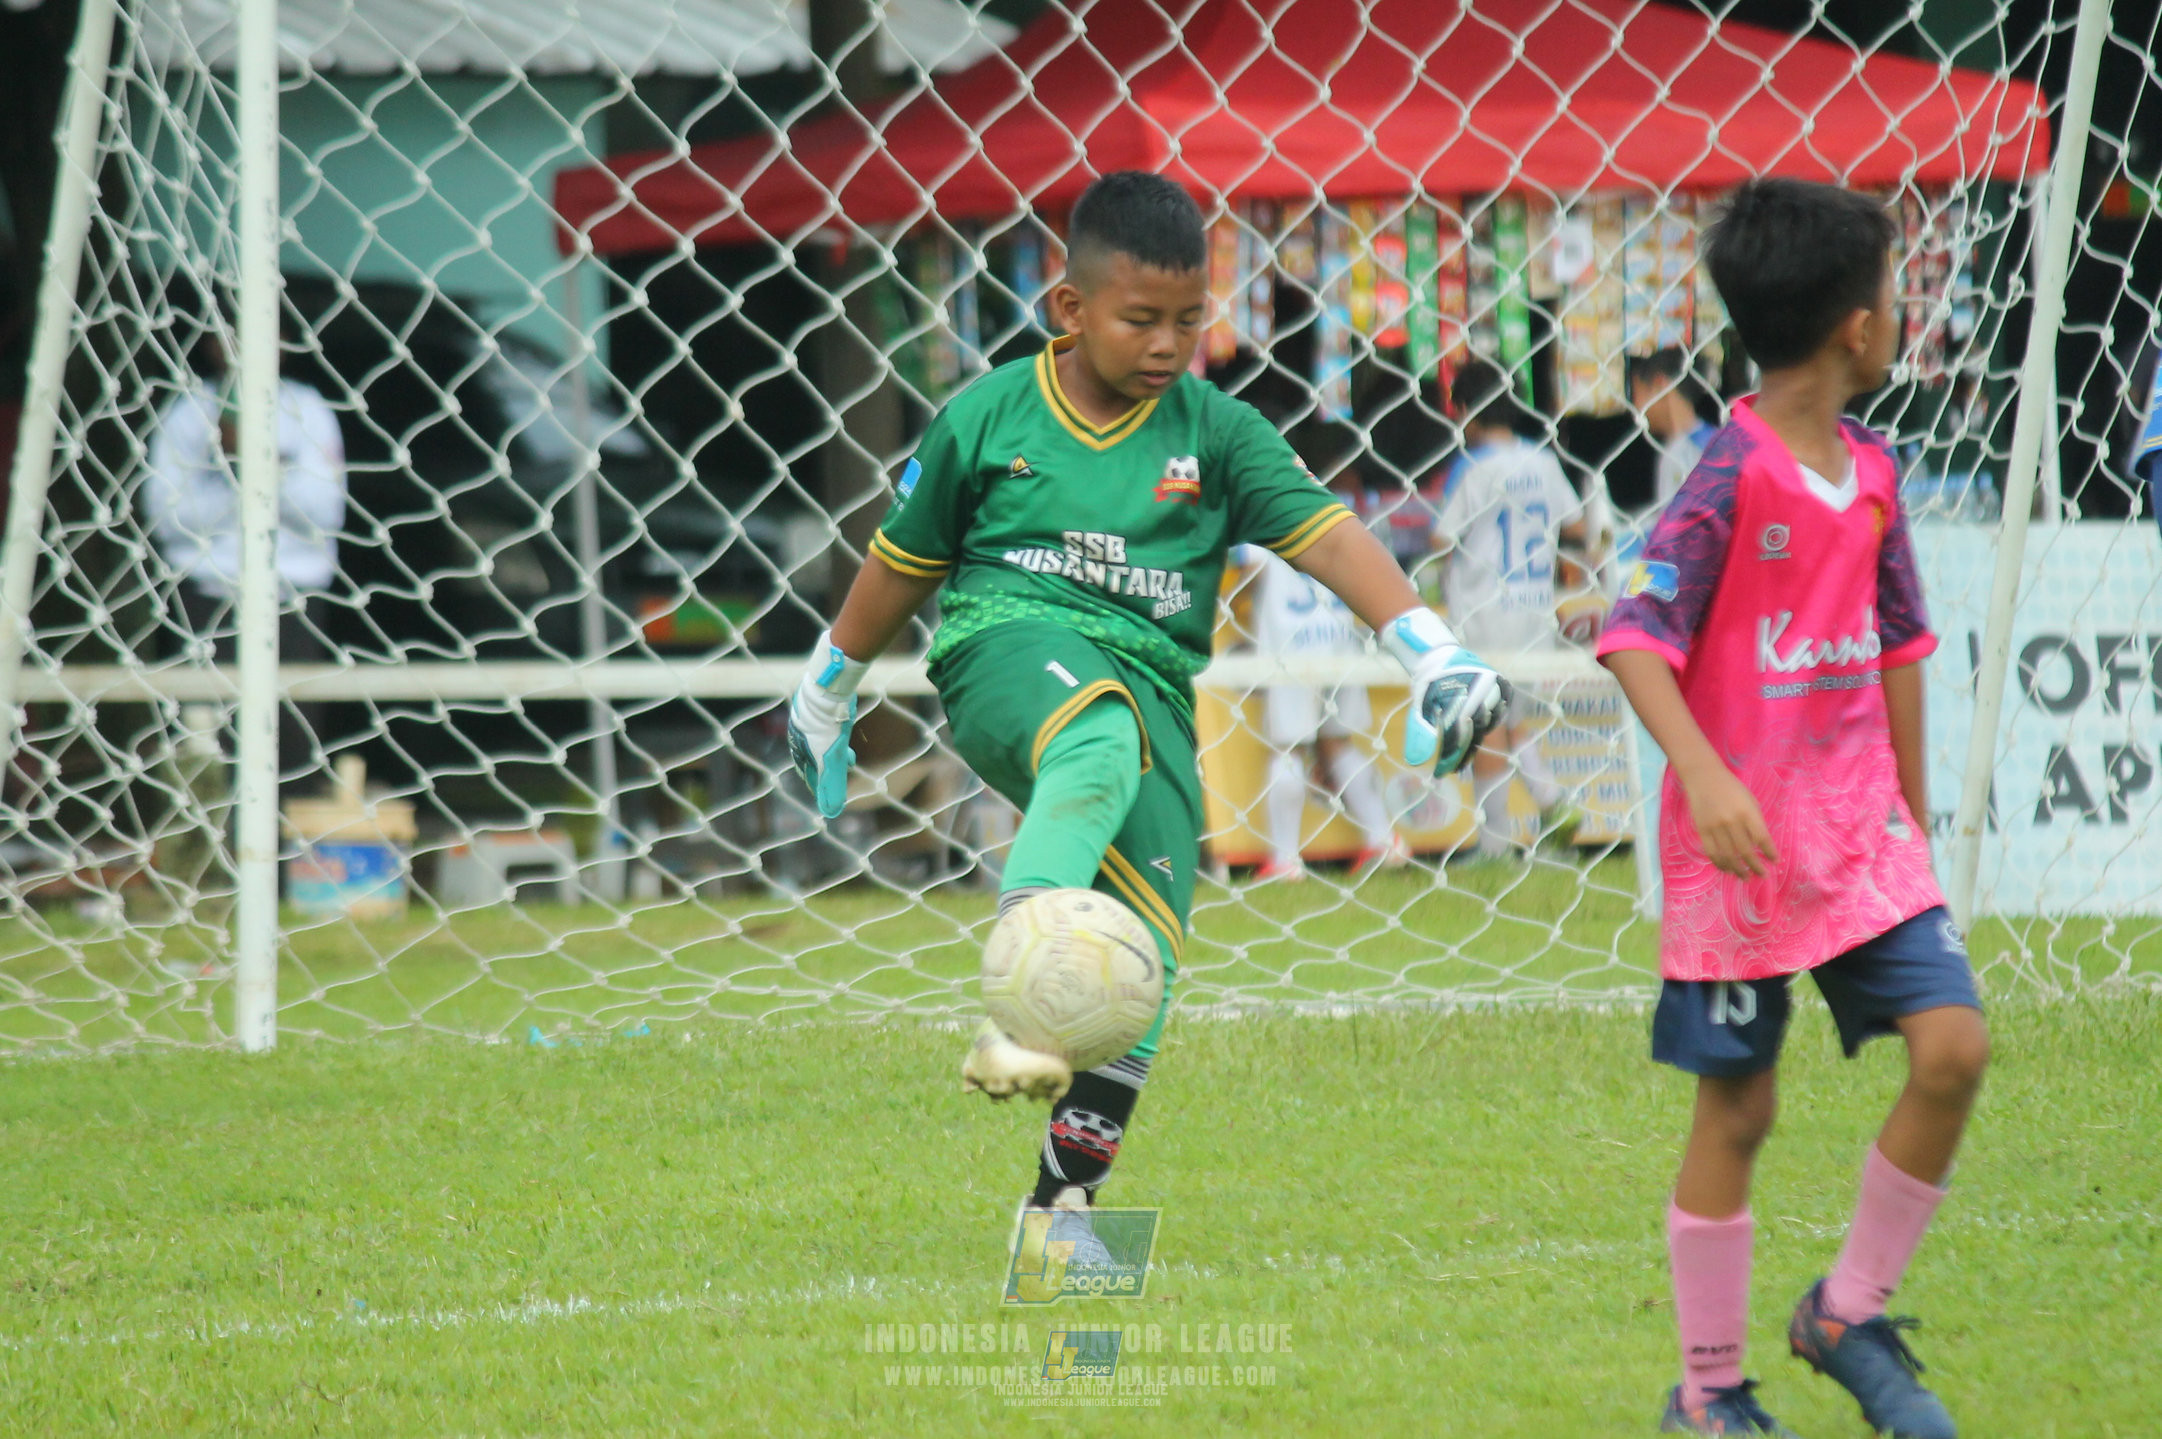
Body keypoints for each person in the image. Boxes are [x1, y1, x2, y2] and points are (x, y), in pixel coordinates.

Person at [785, 171, 1506, 1223]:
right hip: (1006, 645)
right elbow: (900, 563)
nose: (1168, 343)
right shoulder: (986, 417)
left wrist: (1430, 644)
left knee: (1144, 961)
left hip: (1154, 691)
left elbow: (1327, 534)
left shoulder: (1214, 431)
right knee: (1095, 738)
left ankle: (1059, 1223)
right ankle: (1021, 995)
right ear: (1068, 309)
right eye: (1141, 320)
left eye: (1188, 319)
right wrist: (827, 683)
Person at [1597, 178, 1989, 1439]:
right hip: (1742, 854)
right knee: (1741, 1104)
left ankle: (1843, 1309)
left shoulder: (1872, 471)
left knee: (1952, 1048)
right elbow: (1634, 635)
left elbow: (1898, 645)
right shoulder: (1726, 473)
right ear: (1859, 331)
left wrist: (1912, 826)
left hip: (1862, 840)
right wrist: (1702, 773)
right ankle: (1708, 1390)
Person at [145, 310, 347, 777]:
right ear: (211, 344)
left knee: (292, 743)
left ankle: (284, 846)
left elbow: (325, 510)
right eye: (231, 335)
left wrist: (261, 466)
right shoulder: (186, 412)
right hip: (206, 597)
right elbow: (167, 516)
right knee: (201, 747)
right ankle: (207, 845)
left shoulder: (307, 408)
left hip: (292, 600)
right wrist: (234, 472)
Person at [1431, 358, 1587, 857]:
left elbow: (1440, 538)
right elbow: (1578, 528)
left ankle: (1496, 841)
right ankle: (1552, 802)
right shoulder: (1542, 461)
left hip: (1484, 609)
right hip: (1533, 609)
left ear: (1465, 412)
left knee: (1484, 722)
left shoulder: (1471, 468)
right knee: (1510, 720)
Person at [1228, 465, 1408, 881]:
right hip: (1337, 638)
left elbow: (1244, 567)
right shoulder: (1335, 509)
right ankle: (1384, 840)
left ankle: (1285, 860)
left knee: (1290, 748)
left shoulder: (1263, 512)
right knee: (1337, 741)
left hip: (1291, 646)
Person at [1631, 346, 1722, 516]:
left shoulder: (1682, 452)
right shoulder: (1717, 440)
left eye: (1637, 394)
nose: (1635, 407)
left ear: (1660, 385)